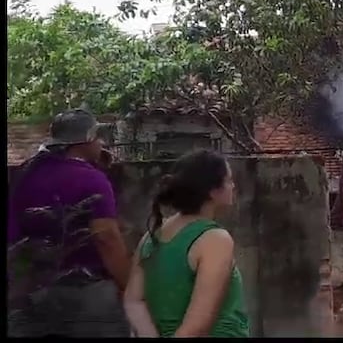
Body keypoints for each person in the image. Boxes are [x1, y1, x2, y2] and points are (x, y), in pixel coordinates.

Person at [7, 109, 132, 337]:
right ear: (85, 140)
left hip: (31, 292)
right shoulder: (91, 179)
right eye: (97, 138)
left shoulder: (24, 174)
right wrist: (129, 285)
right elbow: (106, 237)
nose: (101, 144)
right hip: (86, 295)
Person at [123, 149, 251, 338]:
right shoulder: (214, 239)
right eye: (228, 180)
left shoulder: (151, 237)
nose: (233, 186)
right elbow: (197, 327)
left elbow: (133, 302)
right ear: (213, 191)